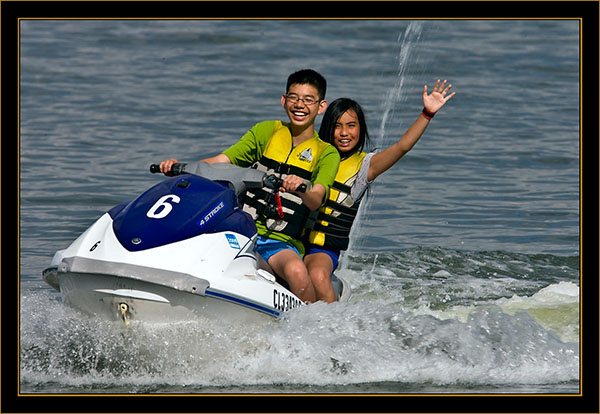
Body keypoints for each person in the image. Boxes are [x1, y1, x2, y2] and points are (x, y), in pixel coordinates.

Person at [159, 69, 340, 303]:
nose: (300, 105)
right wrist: (180, 166)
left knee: (297, 272)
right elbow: (219, 162)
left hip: (280, 241)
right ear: (284, 100)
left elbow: (316, 197)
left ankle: (311, 327)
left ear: (321, 106)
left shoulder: (327, 152)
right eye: (294, 98)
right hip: (241, 227)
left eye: (308, 100)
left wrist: (301, 187)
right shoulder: (266, 131)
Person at [303, 79, 455, 303]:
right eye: (337, 125)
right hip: (291, 239)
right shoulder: (311, 153)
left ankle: (331, 324)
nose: (344, 133)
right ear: (327, 128)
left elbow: (402, 146)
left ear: (360, 129)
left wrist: (427, 113)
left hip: (322, 250)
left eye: (351, 125)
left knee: (316, 274)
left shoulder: (365, 166)